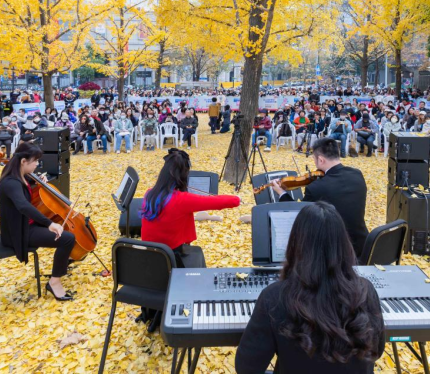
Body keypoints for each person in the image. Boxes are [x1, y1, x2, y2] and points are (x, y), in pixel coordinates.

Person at [236, 201, 385, 374]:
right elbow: (378, 350)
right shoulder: (365, 290)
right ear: (343, 244)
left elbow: (246, 367)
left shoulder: (274, 297)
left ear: (295, 243)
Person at [0, 142, 75, 301]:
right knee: (67, 239)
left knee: (66, 232)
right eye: (35, 161)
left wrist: (35, 183)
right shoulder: (11, 183)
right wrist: (49, 223)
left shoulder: (18, 175)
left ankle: (62, 264)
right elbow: (23, 205)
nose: (37, 164)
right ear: (23, 161)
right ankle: (54, 282)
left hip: (25, 224)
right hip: (19, 232)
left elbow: (23, 191)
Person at [140, 148, 240, 268]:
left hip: (148, 256)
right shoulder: (182, 199)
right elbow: (216, 202)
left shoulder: (149, 193)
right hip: (170, 259)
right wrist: (237, 199)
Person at [271, 138, 369, 255]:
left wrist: (281, 193)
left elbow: (298, 215)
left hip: (333, 252)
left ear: (321, 160)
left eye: (314, 159)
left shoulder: (316, 188)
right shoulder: (357, 174)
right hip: (362, 247)